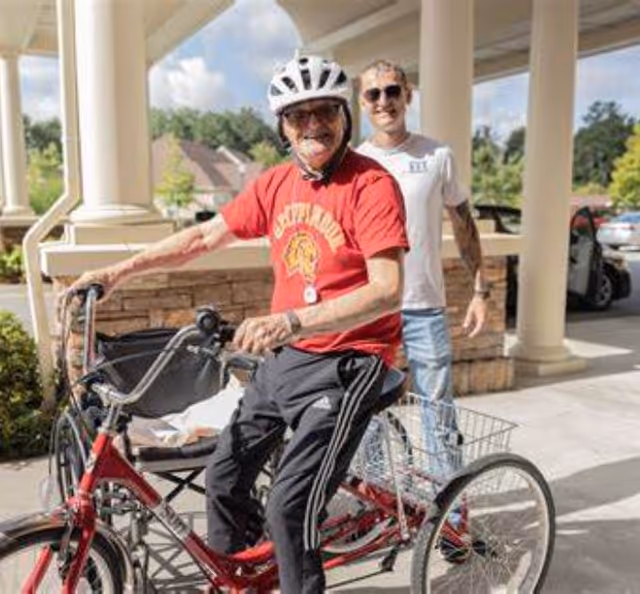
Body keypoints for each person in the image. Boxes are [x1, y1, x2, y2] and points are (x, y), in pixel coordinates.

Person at [69, 54, 408, 594]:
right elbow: (203, 238)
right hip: (289, 360)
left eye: (325, 111)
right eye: (299, 116)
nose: (313, 125)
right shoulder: (275, 186)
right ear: (282, 126)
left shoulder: (371, 185)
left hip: (350, 360)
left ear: (345, 115)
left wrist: (289, 320)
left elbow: (388, 290)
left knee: (289, 507)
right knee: (224, 478)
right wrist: (118, 272)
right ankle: (243, 583)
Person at [357, 59, 489, 481]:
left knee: (439, 416)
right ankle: (375, 506)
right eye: (373, 94)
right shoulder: (354, 163)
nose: (384, 101)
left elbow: (464, 224)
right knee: (367, 416)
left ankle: (448, 519)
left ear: (408, 96)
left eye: (392, 91)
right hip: (370, 311)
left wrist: (481, 290)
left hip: (424, 307)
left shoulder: (436, 156)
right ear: (362, 103)